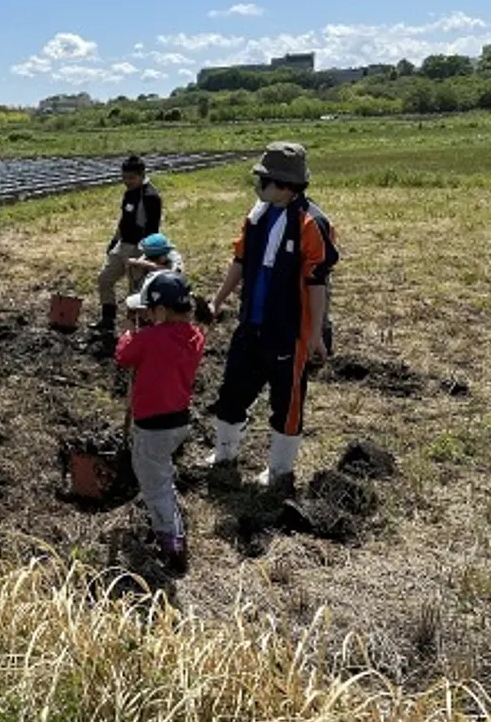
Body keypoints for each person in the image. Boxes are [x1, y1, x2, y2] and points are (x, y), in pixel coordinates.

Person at [206, 142, 339, 492]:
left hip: (290, 329)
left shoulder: (311, 223)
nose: (257, 186)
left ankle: (280, 469)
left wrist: (315, 335)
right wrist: (218, 300)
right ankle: (225, 452)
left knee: (287, 398)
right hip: (251, 321)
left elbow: (317, 281)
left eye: (262, 180)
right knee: (233, 387)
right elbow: (240, 261)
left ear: (282, 184)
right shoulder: (257, 217)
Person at [116, 271, 206, 574]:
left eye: (149, 311)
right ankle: (167, 517)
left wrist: (129, 332)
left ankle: (173, 545)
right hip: (178, 421)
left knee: (153, 481)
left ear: (161, 311)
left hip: (152, 424)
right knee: (160, 470)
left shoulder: (149, 338)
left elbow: (124, 356)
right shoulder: (194, 336)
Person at [96, 155, 163, 331]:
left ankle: (134, 329)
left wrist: (146, 256)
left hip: (139, 248)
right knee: (104, 279)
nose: (127, 181)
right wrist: (114, 240)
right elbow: (124, 219)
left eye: (131, 178)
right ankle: (108, 318)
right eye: (124, 177)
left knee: (134, 291)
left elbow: (153, 229)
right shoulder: (129, 193)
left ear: (142, 175)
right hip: (123, 245)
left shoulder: (151, 197)